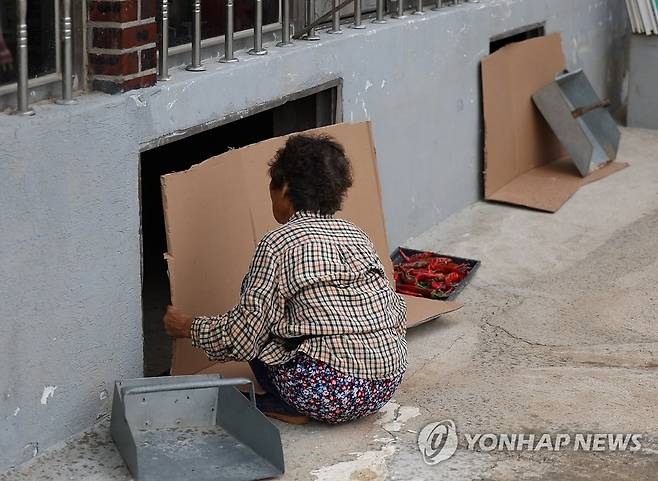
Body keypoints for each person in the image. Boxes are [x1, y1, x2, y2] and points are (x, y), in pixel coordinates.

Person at [163, 134, 407, 424]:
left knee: (260, 327)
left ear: (285, 187)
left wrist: (190, 327)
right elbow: (394, 309)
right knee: (283, 318)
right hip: (386, 383)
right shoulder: (357, 235)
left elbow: (244, 335)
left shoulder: (277, 244)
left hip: (326, 392)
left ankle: (288, 405)